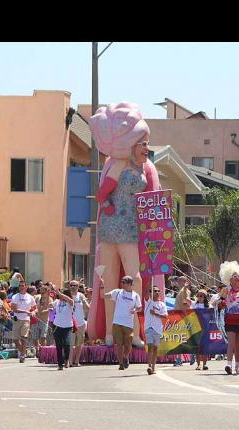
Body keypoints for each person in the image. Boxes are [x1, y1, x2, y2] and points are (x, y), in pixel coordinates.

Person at [87, 102, 162, 349]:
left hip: (130, 229)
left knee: (136, 279)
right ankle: (110, 332)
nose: (146, 148)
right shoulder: (117, 165)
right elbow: (101, 194)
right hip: (112, 228)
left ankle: (135, 332)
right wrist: (110, 209)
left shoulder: (144, 168)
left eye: (146, 144)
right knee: (110, 282)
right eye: (142, 144)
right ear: (131, 145)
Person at [101, 275, 142, 371]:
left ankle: (125, 356)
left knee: (128, 345)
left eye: (124, 282)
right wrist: (102, 285)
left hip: (128, 324)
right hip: (117, 322)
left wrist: (135, 310)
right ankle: (120, 363)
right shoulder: (117, 292)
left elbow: (139, 307)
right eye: (122, 282)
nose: (122, 284)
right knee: (119, 345)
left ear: (130, 284)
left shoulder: (135, 295)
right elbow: (103, 296)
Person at [144, 285, 168, 375]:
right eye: (155, 291)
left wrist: (155, 313)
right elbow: (146, 295)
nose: (157, 292)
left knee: (155, 349)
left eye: (158, 291)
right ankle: (149, 366)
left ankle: (153, 367)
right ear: (151, 292)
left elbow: (165, 316)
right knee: (150, 347)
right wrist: (149, 285)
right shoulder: (148, 302)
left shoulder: (162, 304)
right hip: (149, 328)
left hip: (158, 329)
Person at [10, 281, 37, 363]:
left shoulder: (30, 297)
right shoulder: (15, 296)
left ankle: (22, 355)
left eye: (23, 286)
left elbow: (35, 308)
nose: (21, 287)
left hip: (26, 319)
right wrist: (25, 311)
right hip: (17, 319)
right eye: (20, 286)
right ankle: (23, 351)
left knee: (24, 337)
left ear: (26, 287)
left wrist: (33, 312)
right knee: (15, 339)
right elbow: (14, 309)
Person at [52, 287, 75, 371]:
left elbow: (70, 300)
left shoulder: (70, 302)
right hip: (57, 326)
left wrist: (60, 294)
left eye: (62, 294)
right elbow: (49, 305)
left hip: (67, 327)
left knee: (67, 344)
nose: (60, 296)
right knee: (58, 346)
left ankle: (66, 359)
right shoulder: (57, 302)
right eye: (60, 294)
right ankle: (60, 364)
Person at [68, 280, 90, 367]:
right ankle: (70, 361)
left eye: (75, 285)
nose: (73, 287)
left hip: (81, 323)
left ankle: (77, 361)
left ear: (78, 287)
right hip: (70, 323)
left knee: (79, 344)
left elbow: (88, 307)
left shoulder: (81, 295)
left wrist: (84, 301)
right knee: (70, 343)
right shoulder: (67, 296)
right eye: (71, 285)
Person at [191, 289, 210, 371]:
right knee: (198, 347)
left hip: (205, 328)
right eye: (198, 295)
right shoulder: (194, 305)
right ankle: (198, 364)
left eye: (201, 296)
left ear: (205, 297)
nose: (199, 297)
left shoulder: (208, 305)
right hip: (196, 327)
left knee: (205, 346)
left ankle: (205, 364)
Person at [32, 283, 54, 354]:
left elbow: (50, 309)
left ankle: (43, 352)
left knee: (43, 337)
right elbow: (34, 307)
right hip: (36, 320)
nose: (41, 294)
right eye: (40, 292)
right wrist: (35, 311)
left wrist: (42, 312)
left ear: (47, 292)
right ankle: (37, 350)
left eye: (43, 292)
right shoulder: (37, 297)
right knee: (35, 337)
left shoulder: (50, 299)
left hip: (44, 320)